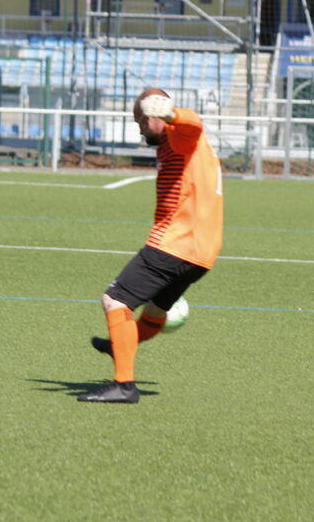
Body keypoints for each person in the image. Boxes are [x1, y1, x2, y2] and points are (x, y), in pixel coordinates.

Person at [81, 88, 223, 404]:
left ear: (152, 116)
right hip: (203, 251)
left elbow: (193, 123)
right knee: (156, 310)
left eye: (141, 122)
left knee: (115, 300)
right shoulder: (178, 145)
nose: (140, 130)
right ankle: (120, 344)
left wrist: (170, 113)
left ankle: (124, 385)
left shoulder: (178, 134)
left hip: (176, 242)